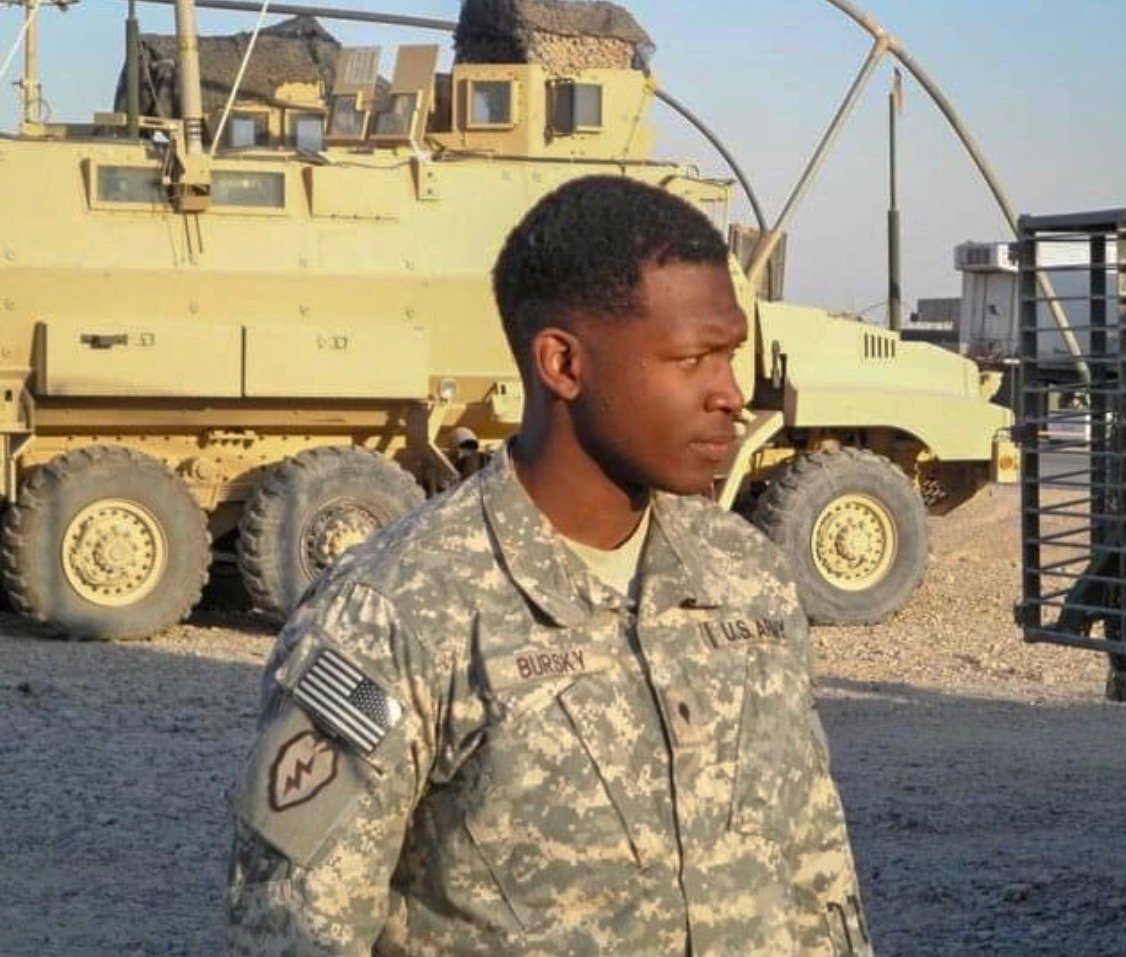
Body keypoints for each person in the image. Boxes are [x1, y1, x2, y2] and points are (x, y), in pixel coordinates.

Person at [226, 175, 874, 956]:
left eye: (730, 355)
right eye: (693, 357)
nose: (730, 394)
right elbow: (298, 927)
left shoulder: (746, 577)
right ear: (563, 364)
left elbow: (814, 870)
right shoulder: (393, 615)